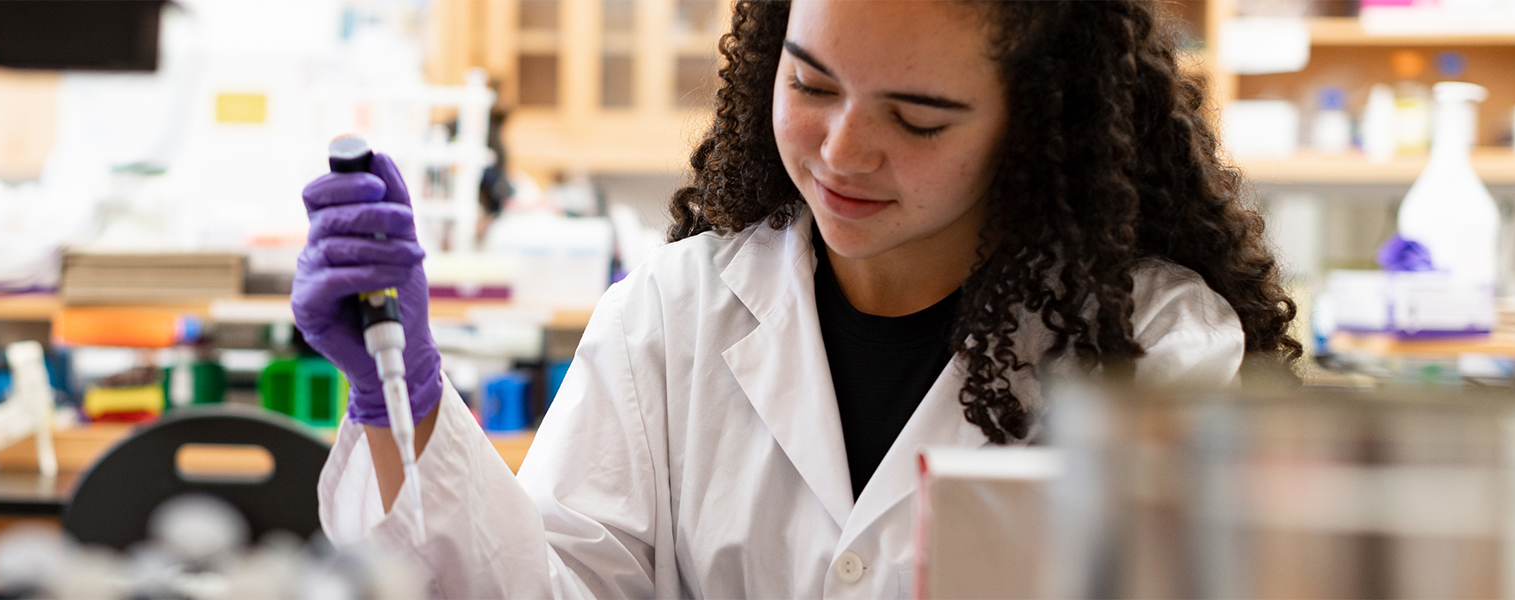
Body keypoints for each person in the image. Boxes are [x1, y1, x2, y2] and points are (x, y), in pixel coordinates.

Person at [291, 1, 1301, 597]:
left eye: (917, 118)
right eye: (811, 86)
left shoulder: (1156, 348)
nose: (842, 151)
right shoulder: (670, 314)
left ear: (1031, 130)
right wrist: (404, 397)